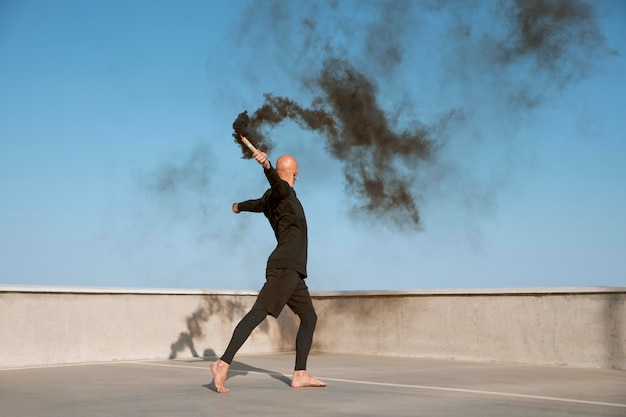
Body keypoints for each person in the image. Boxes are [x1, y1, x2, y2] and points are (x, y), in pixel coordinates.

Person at [210, 149, 326, 393]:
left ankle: (300, 373)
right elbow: (278, 185)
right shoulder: (284, 192)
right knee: (258, 312)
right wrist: (266, 167)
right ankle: (222, 362)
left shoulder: (270, 198)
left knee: (309, 317)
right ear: (295, 173)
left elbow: (256, 204)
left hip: (292, 271)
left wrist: (237, 206)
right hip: (284, 268)